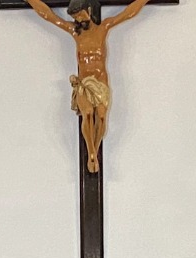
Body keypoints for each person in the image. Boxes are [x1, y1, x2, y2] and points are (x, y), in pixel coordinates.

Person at [22, 0, 153, 173]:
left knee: (101, 116)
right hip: (84, 82)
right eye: (75, 17)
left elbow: (128, 13)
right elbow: (49, 16)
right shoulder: (75, 32)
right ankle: (91, 154)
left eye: (80, 15)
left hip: (100, 81)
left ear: (89, 11)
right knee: (88, 113)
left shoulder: (103, 28)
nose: (78, 19)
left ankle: (94, 149)